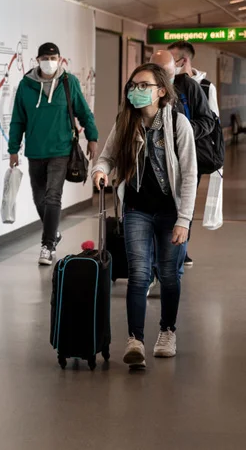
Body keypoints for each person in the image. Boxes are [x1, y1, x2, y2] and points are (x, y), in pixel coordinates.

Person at [92, 63, 197, 369]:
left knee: (168, 275)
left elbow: (189, 175)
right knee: (138, 274)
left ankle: (167, 331)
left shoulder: (179, 125)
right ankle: (135, 339)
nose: (135, 91)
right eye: (133, 85)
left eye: (143, 85)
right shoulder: (125, 122)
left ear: (161, 91)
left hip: (170, 211)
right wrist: (101, 170)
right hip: (137, 209)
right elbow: (108, 156)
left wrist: (184, 220)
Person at [8, 42, 99, 266]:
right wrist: (13, 149)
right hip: (35, 151)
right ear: (37, 60)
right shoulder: (25, 86)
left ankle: (47, 245)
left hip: (61, 150)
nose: (50, 62)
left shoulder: (69, 82)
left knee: (52, 196)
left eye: (54, 58)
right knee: (39, 197)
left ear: (60, 59)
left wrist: (93, 138)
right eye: (45, 58)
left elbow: (84, 113)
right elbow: (17, 120)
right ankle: (54, 232)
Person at [149, 50, 216, 273]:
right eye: (155, 71)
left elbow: (207, 121)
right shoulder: (142, 87)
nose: (160, 77)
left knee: (181, 206)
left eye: (165, 72)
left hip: (185, 159)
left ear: (175, 69)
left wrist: (182, 131)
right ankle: (154, 263)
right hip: (153, 162)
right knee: (153, 210)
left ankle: (177, 252)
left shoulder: (189, 88)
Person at [168, 41, 220, 118]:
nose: (169, 65)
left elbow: (213, 121)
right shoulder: (168, 84)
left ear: (184, 61)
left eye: (172, 61)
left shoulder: (206, 87)